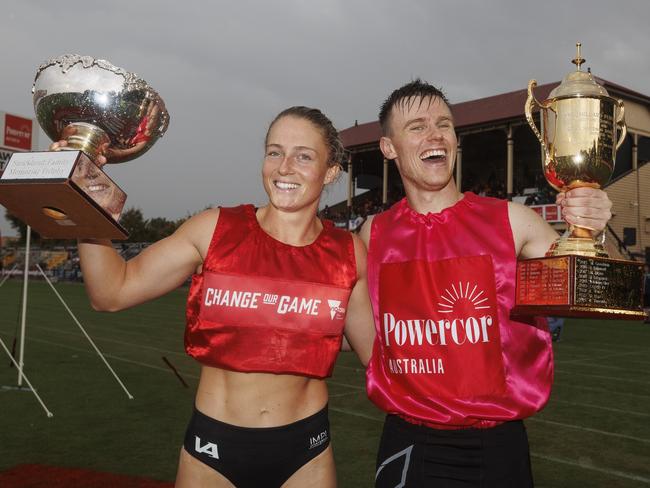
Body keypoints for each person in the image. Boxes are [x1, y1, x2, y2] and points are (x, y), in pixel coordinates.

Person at [52, 106, 374, 488]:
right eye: (274, 152)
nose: (284, 167)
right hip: (214, 450)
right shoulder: (215, 229)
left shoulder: (349, 252)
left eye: (304, 156)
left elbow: (375, 354)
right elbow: (111, 292)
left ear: (331, 170)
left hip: (306, 451)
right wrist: (82, 192)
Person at [360, 80, 613, 487]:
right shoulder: (372, 234)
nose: (435, 134)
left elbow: (595, 287)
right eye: (417, 126)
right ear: (388, 147)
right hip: (410, 441)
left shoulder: (511, 220)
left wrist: (591, 230)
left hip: (498, 445)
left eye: (444, 123)